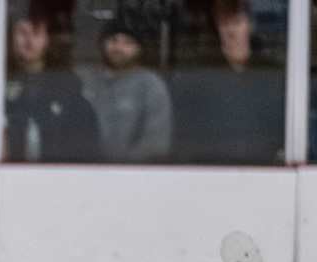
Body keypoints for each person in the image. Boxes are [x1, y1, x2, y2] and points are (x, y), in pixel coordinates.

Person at [168, 0, 281, 165]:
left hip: (262, 172)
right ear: (218, 28)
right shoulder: (199, 78)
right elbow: (187, 139)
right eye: (224, 23)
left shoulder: (270, 75)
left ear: (249, 24)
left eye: (237, 22)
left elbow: (277, 134)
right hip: (211, 172)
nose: (231, 30)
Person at [5, 13, 99, 162]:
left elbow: (86, 144)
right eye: (22, 33)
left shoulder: (67, 86)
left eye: (36, 33)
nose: (29, 41)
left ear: (47, 39)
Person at [80, 18, 170, 162]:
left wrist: (123, 169)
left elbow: (155, 144)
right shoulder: (89, 82)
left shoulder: (151, 85)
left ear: (139, 48)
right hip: (89, 172)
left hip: (139, 173)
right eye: (113, 40)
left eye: (128, 42)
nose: (119, 48)